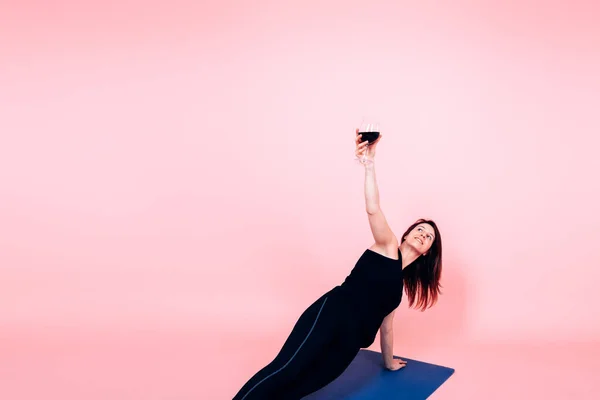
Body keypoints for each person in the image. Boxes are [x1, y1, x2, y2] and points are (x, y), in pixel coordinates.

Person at [232, 129, 443, 400]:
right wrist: (369, 164)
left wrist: (388, 362)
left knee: (301, 385)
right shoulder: (388, 245)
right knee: (286, 369)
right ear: (406, 234)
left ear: (428, 253)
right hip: (331, 314)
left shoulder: (397, 290)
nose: (423, 234)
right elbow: (373, 207)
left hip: (349, 345)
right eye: (420, 229)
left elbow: (386, 326)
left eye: (429, 237)